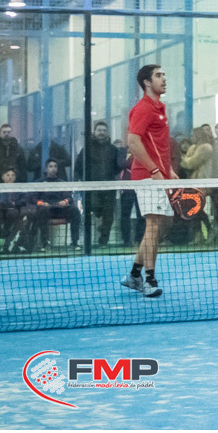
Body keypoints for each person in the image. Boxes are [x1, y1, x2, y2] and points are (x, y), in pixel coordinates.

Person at [120, 64, 178, 298]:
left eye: (164, 75)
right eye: (158, 75)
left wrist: (168, 169)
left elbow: (158, 145)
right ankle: (150, 280)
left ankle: (134, 274)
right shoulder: (143, 109)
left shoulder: (160, 108)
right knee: (153, 225)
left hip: (159, 174)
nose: (164, 79)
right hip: (147, 175)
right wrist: (154, 169)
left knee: (157, 226)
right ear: (146, 82)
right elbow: (133, 141)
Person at [75, 121, 121, 247]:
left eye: (104, 130)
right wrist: (79, 182)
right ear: (94, 132)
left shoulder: (113, 150)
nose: (102, 132)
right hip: (92, 189)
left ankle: (103, 241)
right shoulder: (87, 149)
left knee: (108, 216)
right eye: (99, 130)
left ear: (107, 133)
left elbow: (117, 168)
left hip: (109, 189)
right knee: (94, 210)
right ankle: (87, 241)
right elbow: (78, 167)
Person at [32, 158, 81, 250]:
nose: (53, 169)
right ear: (46, 168)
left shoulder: (62, 183)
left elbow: (69, 198)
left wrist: (65, 201)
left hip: (60, 209)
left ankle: (75, 243)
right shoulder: (39, 182)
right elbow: (33, 198)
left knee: (75, 210)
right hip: (46, 209)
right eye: (50, 166)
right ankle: (45, 243)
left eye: (55, 166)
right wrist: (41, 203)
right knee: (42, 211)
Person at [0, 167, 35, 253]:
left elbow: (24, 199)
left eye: (12, 175)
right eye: (8, 175)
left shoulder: (18, 189)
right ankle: (0, 238)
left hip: (13, 212)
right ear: (3, 177)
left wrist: (15, 203)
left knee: (12, 212)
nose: (10, 177)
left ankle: (4, 238)